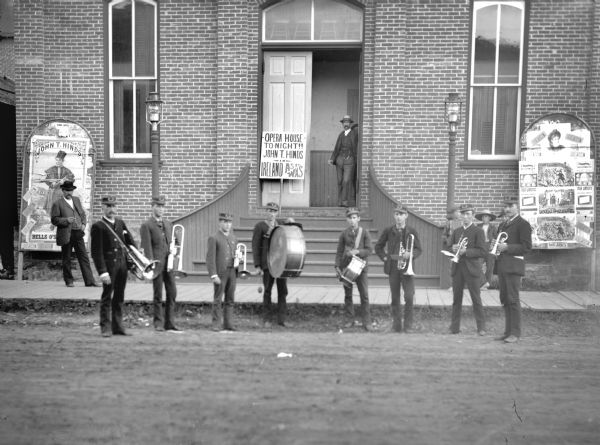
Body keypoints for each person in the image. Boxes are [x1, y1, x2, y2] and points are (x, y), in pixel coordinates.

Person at [91, 196, 136, 337]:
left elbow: (130, 243)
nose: (111, 209)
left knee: (119, 297)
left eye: (113, 206)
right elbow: (96, 252)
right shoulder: (98, 226)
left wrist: (136, 259)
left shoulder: (120, 223)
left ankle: (118, 327)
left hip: (122, 266)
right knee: (107, 297)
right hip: (109, 267)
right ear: (102, 207)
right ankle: (105, 327)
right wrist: (102, 272)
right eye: (108, 206)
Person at [375, 204, 422, 333]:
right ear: (394, 215)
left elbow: (419, 249)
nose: (398, 217)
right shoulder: (388, 230)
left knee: (409, 297)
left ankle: (408, 326)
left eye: (401, 214)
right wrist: (385, 258)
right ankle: (396, 326)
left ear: (406, 216)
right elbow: (378, 247)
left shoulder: (412, 231)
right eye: (396, 214)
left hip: (407, 268)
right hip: (393, 269)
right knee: (395, 298)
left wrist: (411, 254)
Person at [494, 196, 532, 344]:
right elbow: (501, 243)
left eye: (510, 205)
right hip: (503, 266)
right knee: (505, 299)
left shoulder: (523, 224)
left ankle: (515, 333)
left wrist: (507, 247)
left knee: (513, 299)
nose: (507, 209)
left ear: (518, 207)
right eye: (506, 206)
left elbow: (527, 247)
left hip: (514, 267)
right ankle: (507, 332)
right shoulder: (503, 225)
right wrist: (496, 244)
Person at [140, 195, 180, 332]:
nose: (161, 209)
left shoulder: (169, 224)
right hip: (156, 264)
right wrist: (150, 262)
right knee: (158, 294)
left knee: (172, 293)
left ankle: (170, 323)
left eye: (163, 206)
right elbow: (146, 246)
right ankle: (158, 323)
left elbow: (176, 242)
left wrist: (175, 252)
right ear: (153, 207)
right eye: (158, 206)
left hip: (169, 265)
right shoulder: (146, 225)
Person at [50, 180, 98, 287]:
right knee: (66, 258)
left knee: (84, 257)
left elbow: (83, 214)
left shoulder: (76, 200)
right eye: (67, 190)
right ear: (62, 191)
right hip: (66, 233)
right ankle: (69, 281)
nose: (69, 193)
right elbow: (54, 220)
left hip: (78, 233)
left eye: (71, 190)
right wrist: (66, 220)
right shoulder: (57, 203)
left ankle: (90, 281)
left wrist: (84, 224)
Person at [449, 204, 487, 336]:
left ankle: (481, 328)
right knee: (456, 299)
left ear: (472, 216)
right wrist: (453, 249)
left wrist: (467, 251)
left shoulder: (478, 231)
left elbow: (482, 251)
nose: (465, 217)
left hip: (471, 268)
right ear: (460, 215)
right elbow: (450, 247)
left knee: (476, 298)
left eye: (468, 214)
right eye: (463, 214)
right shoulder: (456, 231)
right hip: (458, 268)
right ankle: (454, 327)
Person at [334, 207, 372, 331]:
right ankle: (350, 320)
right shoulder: (343, 234)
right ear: (347, 219)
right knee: (348, 295)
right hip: (347, 267)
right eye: (350, 218)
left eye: (354, 217)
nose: (352, 220)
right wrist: (337, 266)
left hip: (360, 267)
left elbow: (369, 250)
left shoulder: (364, 232)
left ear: (359, 219)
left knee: (364, 295)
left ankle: (367, 322)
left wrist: (357, 251)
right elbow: (339, 252)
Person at [252, 202, 289, 328]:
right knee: (267, 291)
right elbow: (255, 246)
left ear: (277, 213)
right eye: (269, 211)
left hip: (280, 264)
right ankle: (266, 318)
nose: (271, 214)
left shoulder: (281, 226)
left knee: (283, 291)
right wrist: (257, 265)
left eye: (274, 211)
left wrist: (291, 222)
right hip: (267, 264)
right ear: (265, 212)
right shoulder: (260, 226)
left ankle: (281, 319)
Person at [206, 212, 238, 331]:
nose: (228, 225)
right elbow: (210, 258)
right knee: (218, 299)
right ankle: (216, 324)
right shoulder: (214, 238)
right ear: (220, 222)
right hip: (220, 272)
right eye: (225, 222)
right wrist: (213, 275)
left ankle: (228, 323)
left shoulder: (234, 238)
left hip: (232, 271)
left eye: (229, 222)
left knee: (230, 299)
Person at [328, 115, 358, 207]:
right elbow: (336, 148)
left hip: (349, 161)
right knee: (339, 181)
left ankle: (345, 201)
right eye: (344, 122)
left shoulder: (354, 134)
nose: (345, 124)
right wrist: (332, 159)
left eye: (347, 122)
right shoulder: (341, 135)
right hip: (339, 160)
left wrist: (356, 159)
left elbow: (356, 147)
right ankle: (340, 201)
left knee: (346, 181)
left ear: (350, 123)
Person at [475, 209, 498, 290]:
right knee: (477, 264)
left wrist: (493, 247)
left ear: (489, 218)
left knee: (490, 266)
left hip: (490, 246)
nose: (484, 218)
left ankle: (487, 285)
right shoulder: (478, 226)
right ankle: (484, 282)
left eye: (486, 217)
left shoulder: (493, 227)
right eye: (483, 217)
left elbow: (496, 238)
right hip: (481, 246)